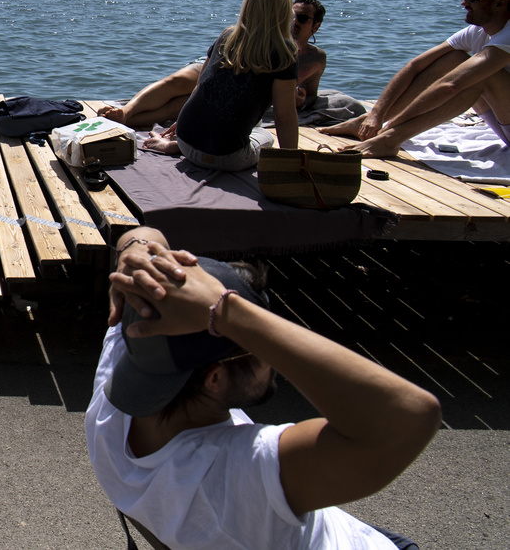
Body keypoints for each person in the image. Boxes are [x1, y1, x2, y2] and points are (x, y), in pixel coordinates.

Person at [87, 226, 440, 549]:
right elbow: (410, 415)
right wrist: (227, 314)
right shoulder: (239, 476)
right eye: (258, 341)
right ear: (214, 378)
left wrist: (135, 255)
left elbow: (141, 233)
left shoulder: (116, 392)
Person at [324, 0, 510, 157]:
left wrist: (392, 128)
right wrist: (376, 115)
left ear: (500, 3)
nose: (464, 2)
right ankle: (364, 123)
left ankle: (391, 140)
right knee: (454, 59)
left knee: (480, 75)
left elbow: (450, 86)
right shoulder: (476, 32)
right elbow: (416, 65)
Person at [99, 0, 327, 129]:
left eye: (303, 18)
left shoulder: (316, 59)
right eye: (292, 14)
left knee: (178, 107)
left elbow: (311, 93)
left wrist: (302, 101)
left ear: (315, 26)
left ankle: (125, 122)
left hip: (240, 83)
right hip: (224, 62)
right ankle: (126, 112)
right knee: (177, 81)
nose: (295, 20)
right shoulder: (269, 39)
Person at [143, 0, 300, 171]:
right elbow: (284, 116)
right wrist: (293, 165)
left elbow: (201, 84)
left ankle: (174, 145)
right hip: (226, 158)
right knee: (267, 136)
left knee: (243, 116)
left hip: (185, 138)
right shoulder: (284, 53)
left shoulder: (228, 36)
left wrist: (186, 121)